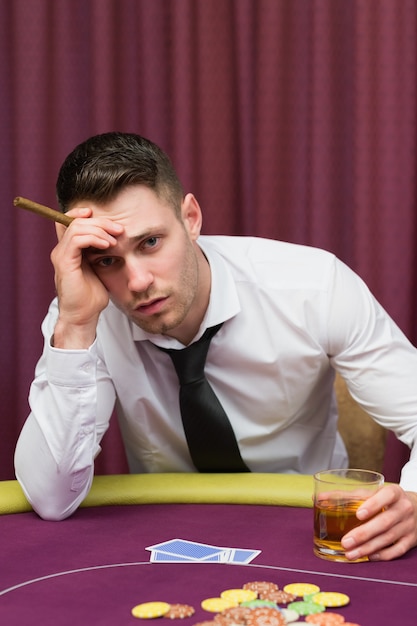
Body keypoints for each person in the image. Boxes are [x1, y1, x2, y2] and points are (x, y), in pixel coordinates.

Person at [15, 131, 417, 561]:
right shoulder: (83, 315)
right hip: (163, 540)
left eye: (150, 243)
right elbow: (51, 499)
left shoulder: (314, 286)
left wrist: (415, 498)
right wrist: (75, 327)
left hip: (308, 531)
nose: (137, 282)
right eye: (107, 260)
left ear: (190, 218)